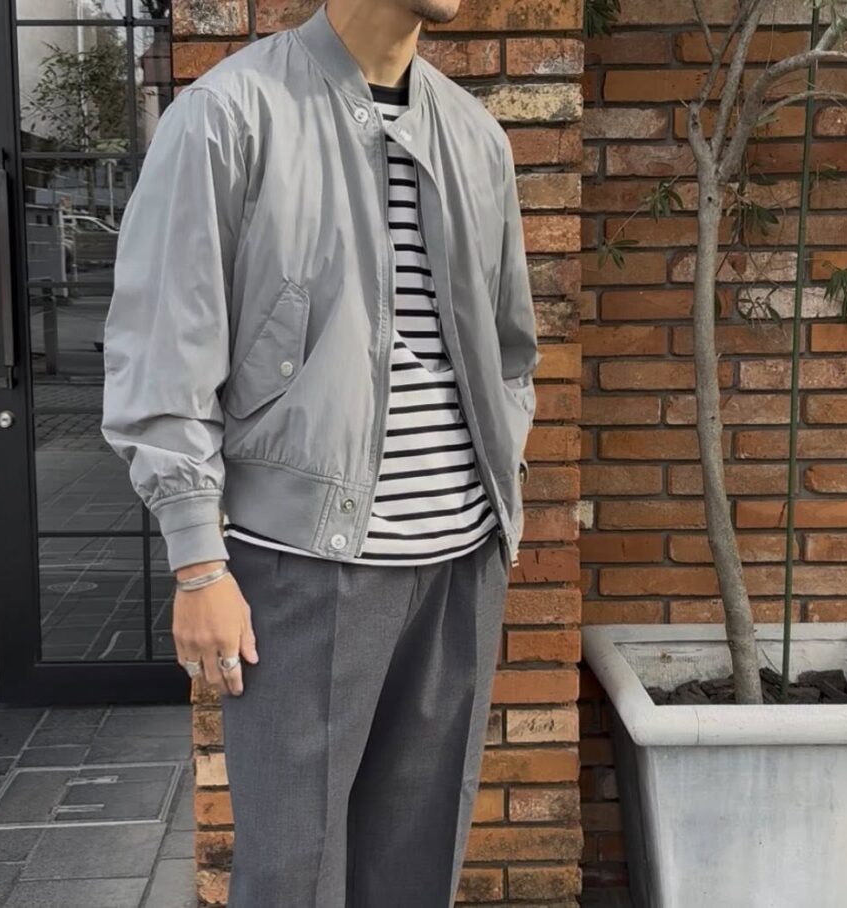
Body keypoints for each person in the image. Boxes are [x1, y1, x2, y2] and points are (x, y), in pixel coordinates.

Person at [101, 0, 539, 903]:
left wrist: (500, 488)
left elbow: (510, 349)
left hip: (462, 565)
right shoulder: (229, 115)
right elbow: (163, 350)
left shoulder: (474, 134)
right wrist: (197, 560)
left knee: (420, 867)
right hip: (304, 567)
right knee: (292, 875)